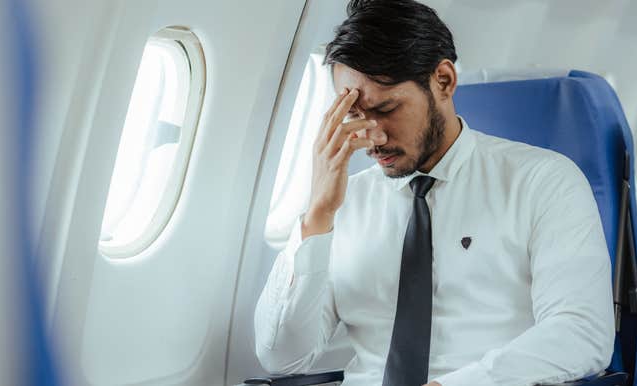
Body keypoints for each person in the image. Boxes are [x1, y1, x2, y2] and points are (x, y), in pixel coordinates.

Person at [254, 1, 614, 385]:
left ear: (443, 80)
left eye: (386, 108)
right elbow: (283, 358)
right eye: (355, 115)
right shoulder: (345, 204)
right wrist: (317, 215)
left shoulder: (543, 181)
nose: (372, 136)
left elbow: (581, 333)